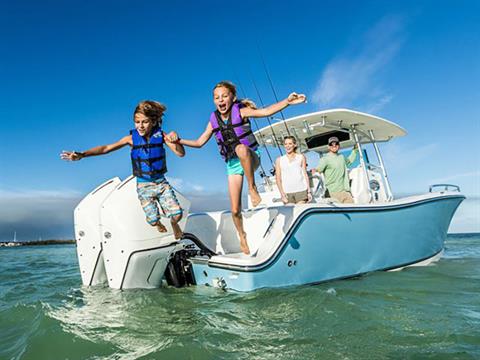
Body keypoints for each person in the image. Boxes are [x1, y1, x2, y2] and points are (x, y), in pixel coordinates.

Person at [171, 81, 306, 254]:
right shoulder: (213, 121)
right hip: (233, 164)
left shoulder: (241, 111)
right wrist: (178, 140)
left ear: (232, 98)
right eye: (216, 97)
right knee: (235, 210)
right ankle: (242, 235)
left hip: (250, 157)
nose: (220, 100)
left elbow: (265, 112)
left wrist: (287, 101)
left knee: (241, 148)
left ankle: (252, 187)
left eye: (224, 96)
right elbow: (198, 143)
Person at [60, 100, 186, 239]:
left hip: (161, 183)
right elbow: (106, 148)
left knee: (177, 215)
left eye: (144, 122)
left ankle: (174, 224)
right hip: (143, 186)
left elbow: (180, 153)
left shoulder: (162, 136)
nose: (140, 126)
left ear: (154, 122)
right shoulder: (131, 139)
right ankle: (157, 224)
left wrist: (174, 138)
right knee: (152, 220)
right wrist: (82, 155)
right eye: (137, 122)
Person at [314, 136, 358, 204]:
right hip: (332, 193)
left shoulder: (341, 157)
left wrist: (355, 150)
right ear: (328, 147)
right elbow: (318, 170)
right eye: (331, 144)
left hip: (345, 192)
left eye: (336, 143)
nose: (334, 145)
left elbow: (349, 161)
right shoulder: (325, 159)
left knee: (352, 210)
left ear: (339, 146)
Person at [275, 136, 311, 204]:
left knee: (300, 211)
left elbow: (305, 174)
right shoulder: (279, 160)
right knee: (292, 214)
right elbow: (278, 179)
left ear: (294, 145)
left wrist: (309, 191)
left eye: (290, 144)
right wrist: (282, 194)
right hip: (287, 193)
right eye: (285, 144)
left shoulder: (301, 157)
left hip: (301, 191)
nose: (287, 146)